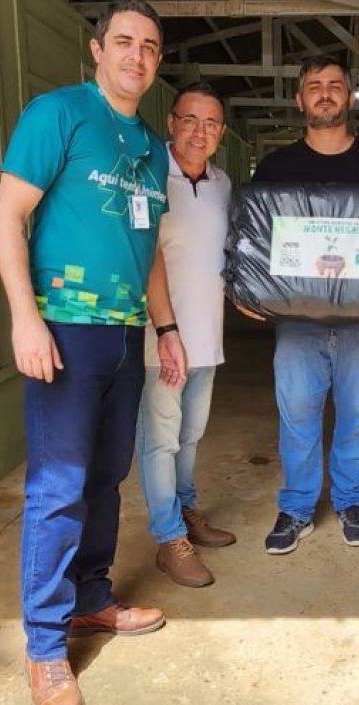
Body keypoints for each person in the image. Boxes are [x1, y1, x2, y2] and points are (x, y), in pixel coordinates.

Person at [0, 1, 185, 705]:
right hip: (64, 329)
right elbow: (6, 215)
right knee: (59, 486)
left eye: (150, 47)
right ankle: (45, 646)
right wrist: (25, 317)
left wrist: (166, 327)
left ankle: (92, 599)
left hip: (124, 334)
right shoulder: (59, 114)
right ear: (98, 49)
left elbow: (149, 248)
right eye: (124, 41)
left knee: (106, 477)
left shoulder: (152, 148)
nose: (137, 55)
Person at [249, 55, 359, 554]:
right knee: (298, 416)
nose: (325, 93)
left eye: (335, 85)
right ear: (300, 99)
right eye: (315, 85)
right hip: (298, 322)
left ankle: (350, 500)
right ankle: (297, 508)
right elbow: (256, 241)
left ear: (349, 96)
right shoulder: (275, 169)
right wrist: (246, 292)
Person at [135, 82, 235, 588]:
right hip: (161, 338)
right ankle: (169, 538)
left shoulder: (222, 183)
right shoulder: (149, 175)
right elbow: (144, 255)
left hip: (207, 337)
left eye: (211, 123)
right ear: (171, 122)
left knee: (190, 434)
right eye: (190, 120)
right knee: (160, 440)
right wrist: (165, 329)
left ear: (222, 132)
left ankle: (187, 511)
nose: (200, 131)